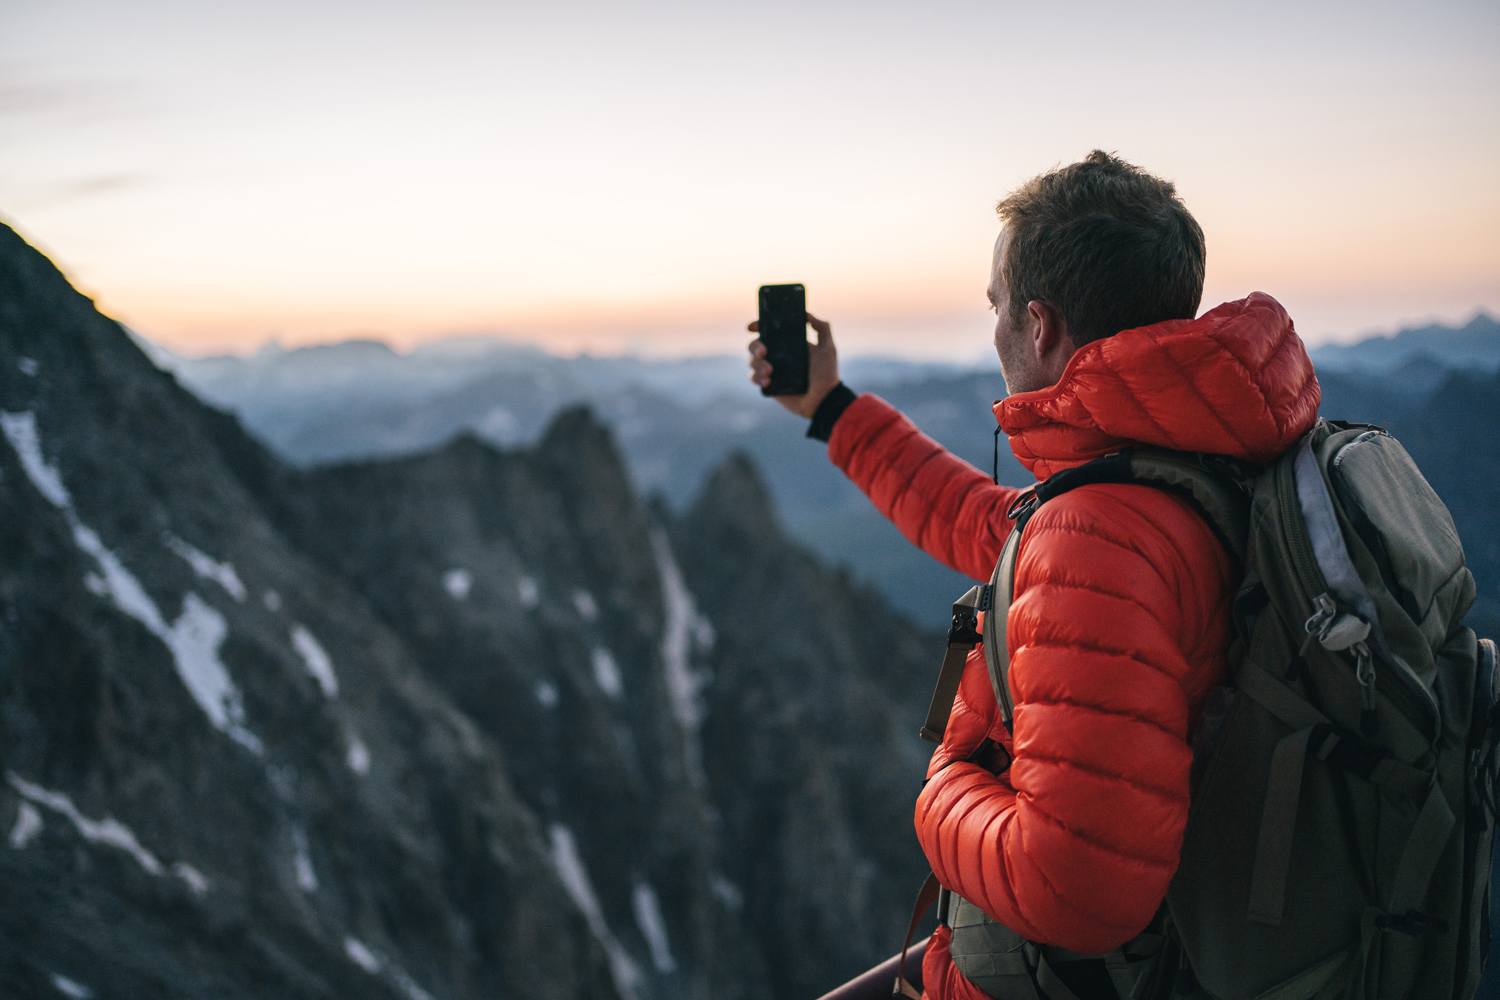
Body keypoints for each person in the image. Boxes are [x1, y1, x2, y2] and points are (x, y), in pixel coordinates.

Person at [747, 150, 1321, 1000]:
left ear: (1041, 325)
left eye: (996, 306)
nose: (993, 331)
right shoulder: (1194, 466)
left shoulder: (1103, 536)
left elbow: (1076, 888)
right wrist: (833, 410)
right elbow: (992, 526)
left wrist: (942, 787)